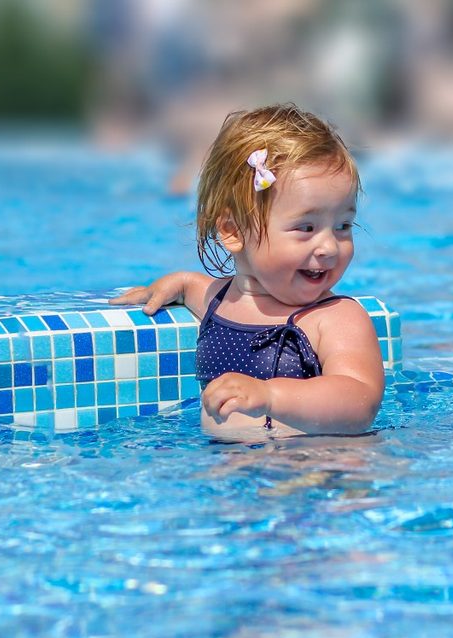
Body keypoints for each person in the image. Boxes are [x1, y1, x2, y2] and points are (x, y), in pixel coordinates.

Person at [110, 104, 384, 438]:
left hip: (318, 472)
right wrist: (174, 284)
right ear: (234, 232)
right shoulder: (220, 299)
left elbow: (359, 401)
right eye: (307, 227)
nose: (329, 246)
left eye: (342, 225)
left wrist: (271, 396)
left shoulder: (336, 318)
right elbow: (191, 285)